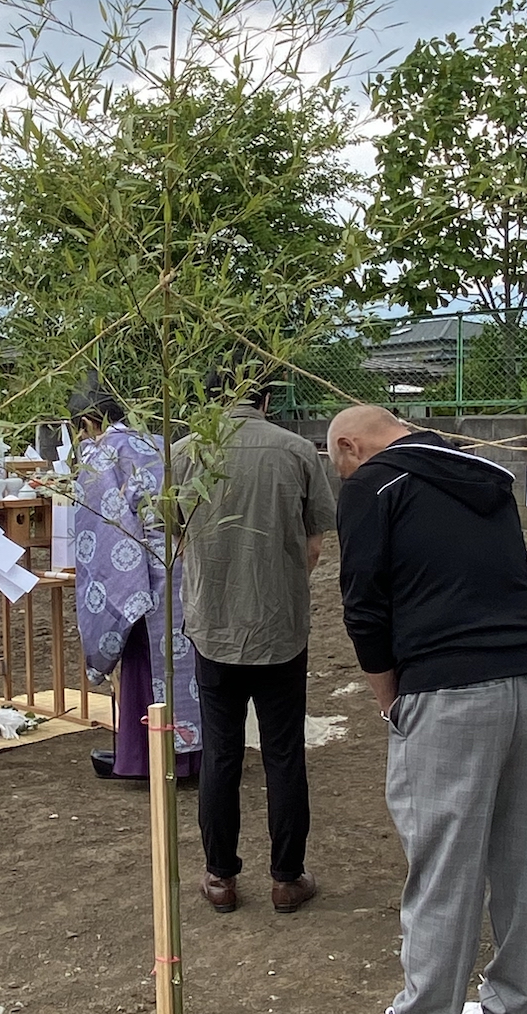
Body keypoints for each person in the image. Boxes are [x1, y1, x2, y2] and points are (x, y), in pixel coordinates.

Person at [329, 406, 527, 1014]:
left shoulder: (373, 485)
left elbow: (364, 608)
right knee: (524, 857)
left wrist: (388, 697)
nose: (341, 472)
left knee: (444, 865)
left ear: (350, 445)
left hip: (451, 692)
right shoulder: (489, 477)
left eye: (336, 460)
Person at [174, 380, 336, 913]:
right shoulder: (296, 451)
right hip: (279, 627)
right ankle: (287, 878)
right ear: (264, 399)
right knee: (284, 752)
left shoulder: (184, 453)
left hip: (212, 627)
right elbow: (314, 545)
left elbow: (173, 535)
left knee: (220, 752)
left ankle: (220, 877)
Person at [70, 382, 201, 782]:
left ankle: (149, 760)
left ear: (88, 423)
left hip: (141, 568)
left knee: (145, 661)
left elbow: (101, 534)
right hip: (182, 561)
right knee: (185, 664)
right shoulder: (160, 442)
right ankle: (194, 756)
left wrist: (114, 591)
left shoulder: (100, 454)